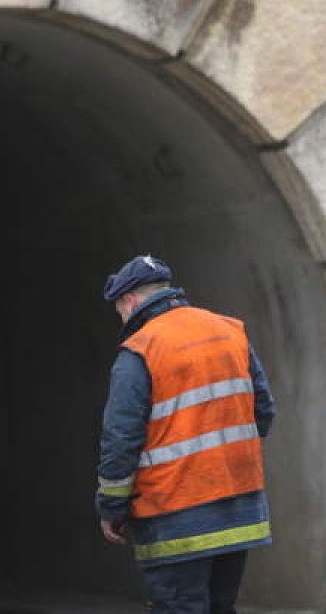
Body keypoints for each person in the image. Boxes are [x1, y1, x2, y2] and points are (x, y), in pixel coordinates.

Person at [95, 255, 276, 614]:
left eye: (119, 309)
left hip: (174, 514)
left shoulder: (139, 350)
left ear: (129, 301)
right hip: (237, 511)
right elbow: (264, 412)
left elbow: (121, 440)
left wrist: (111, 506)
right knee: (221, 606)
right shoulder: (229, 330)